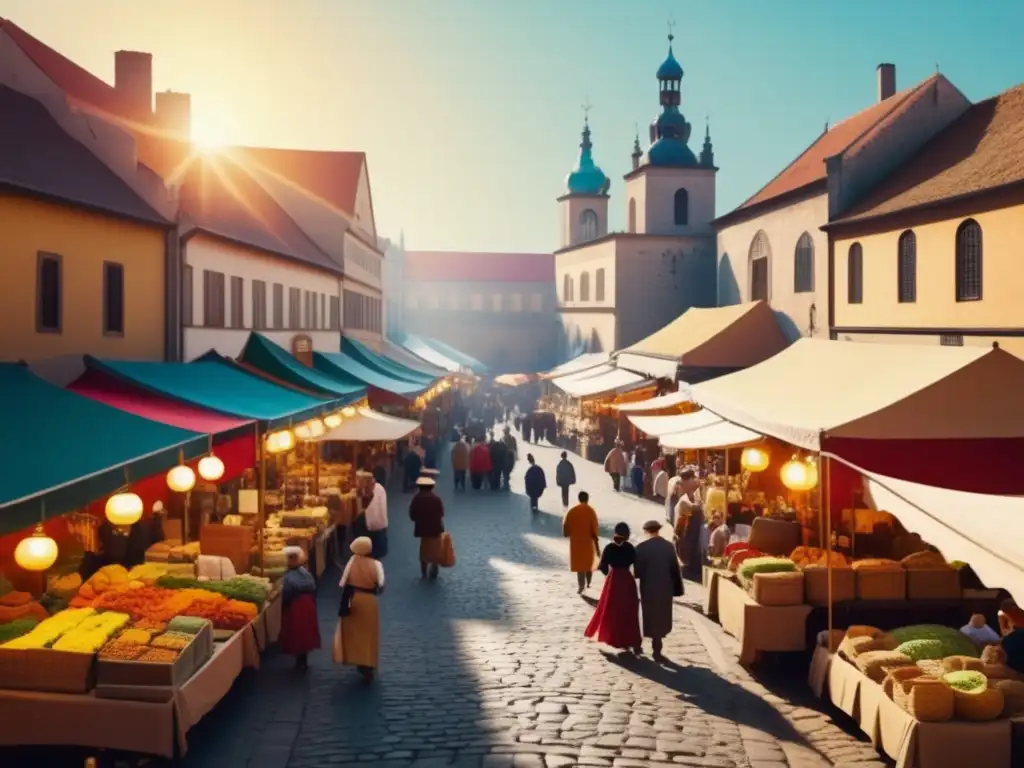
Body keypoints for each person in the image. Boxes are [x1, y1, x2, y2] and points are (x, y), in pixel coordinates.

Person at [584, 522, 642, 654]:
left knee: (611, 610)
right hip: (627, 580)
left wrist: (609, 574)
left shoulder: (609, 547)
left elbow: (603, 566)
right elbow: (637, 565)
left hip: (614, 579)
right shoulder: (630, 548)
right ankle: (630, 640)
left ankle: (612, 637)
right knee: (629, 611)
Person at [336, 536, 385, 682]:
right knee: (369, 633)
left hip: (355, 599)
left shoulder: (351, 562)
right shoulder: (376, 564)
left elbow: (342, 582)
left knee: (356, 633)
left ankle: (360, 661)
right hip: (370, 602)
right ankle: (369, 662)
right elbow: (381, 584)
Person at [634, 520, 683, 662]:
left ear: (646, 531)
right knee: (661, 616)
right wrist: (677, 589)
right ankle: (657, 648)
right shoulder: (668, 547)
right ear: (658, 530)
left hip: (648, 587)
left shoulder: (641, 548)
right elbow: (675, 569)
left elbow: (637, 572)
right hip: (665, 587)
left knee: (648, 615)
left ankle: (640, 644)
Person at [278, 545, 320, 670]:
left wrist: (285, 605)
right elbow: (313, 588)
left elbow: (287, 592)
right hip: (308, 603)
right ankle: (303, 659)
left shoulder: (289, 576)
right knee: (306, 631)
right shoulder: (306, 573)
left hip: (297, 604)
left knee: (297, 631)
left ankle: (299, 660)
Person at [563, 491, 599, 593]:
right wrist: (596, 541)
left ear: (579, 499)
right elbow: (595, 528)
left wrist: (568, 533)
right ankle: (588, 583)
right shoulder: (591, 511)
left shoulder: (572, 511)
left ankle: (581, 585)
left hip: (576, 543)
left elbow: (566, 528)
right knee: (588, 563)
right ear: (587, 499)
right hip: (588, 542)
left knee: (580, 565)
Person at [409, 476, 445, 579]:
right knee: (435, 549)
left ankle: (424, 572)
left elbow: (412, 514)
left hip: (422, 529)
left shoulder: (416, 499)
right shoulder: (436, 499)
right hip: (435, 528)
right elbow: (441, 513)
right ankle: (434, 567)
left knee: (424, 550)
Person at [673, 470, 704, 581]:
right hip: (685, 536)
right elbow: (693, 508)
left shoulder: (698, 492)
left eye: (683, 484)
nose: (681, 486)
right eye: (681, 484)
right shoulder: (684, 500)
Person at [360, 470, 389, 560]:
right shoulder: (378, 488)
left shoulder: (375, 491)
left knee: (374, 556)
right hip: (377, 528)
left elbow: (372, 514)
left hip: (375, 530)